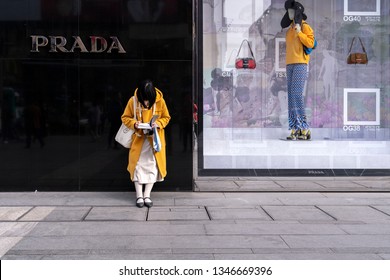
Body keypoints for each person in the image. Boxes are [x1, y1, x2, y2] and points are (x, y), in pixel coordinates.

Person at [121, 80, 171, 208]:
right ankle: (139, 196)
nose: (146, 102)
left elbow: (166, 117)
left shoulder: (160, 101)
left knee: (153, 168)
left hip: (154, 141)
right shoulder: (133, 101)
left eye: (149, 99)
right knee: (137, 168)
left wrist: (158, 124)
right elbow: (125, 117)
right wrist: (135, 124)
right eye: (144, 99)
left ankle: (147, 195)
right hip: (138, 141)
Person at [281, 0, 315, 140]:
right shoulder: (289, 29)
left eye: (292, 11)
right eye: (288, 11)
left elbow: (311, 43)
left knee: (296, 94)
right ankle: (295, 129)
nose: (289, 13)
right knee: (291, 97)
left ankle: (305, 128)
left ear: (297, 13)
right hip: (290, 64)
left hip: (301, 63)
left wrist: (300, 32)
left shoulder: (305, 27)